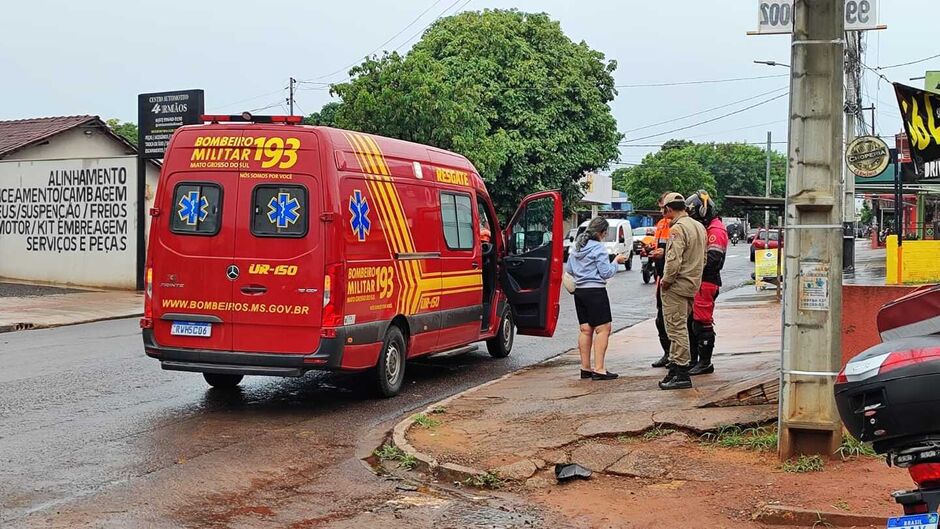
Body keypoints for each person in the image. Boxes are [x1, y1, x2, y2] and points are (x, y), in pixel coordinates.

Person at [566, 217, 629, 380]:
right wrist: (616, 261)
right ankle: (599, 369)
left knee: (585, 330)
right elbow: (606, 273)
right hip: (595, 291)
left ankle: (585, 368)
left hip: (580, 292)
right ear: (602, 232)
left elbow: (570, 270)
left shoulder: (577, 247)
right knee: (603, 329)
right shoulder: (599, 249)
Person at [658, 192, 706, 391]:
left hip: (677, 285)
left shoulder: (678, 228)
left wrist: (666, 281)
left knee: (675, 329)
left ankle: (681, 372)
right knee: (682, 326)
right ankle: (676, 370)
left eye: (663, 209)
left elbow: (673, 260)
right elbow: (703, 259)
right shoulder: (699, 226)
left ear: (668, 209)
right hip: (691, 284)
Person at [685, 190, 728, 376]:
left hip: (706, 281)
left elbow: (713, 260)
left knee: (702, 323)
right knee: (693, 323)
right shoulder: (709, 227)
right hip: (699, 280)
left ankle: (704, 363)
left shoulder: (715, 230)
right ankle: (695, 360)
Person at [650, 194, 674, 368]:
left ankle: (677, 356)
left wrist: (663, 253)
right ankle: (667, 353)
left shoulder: (679, 226)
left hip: (674, 278)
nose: (661, 211)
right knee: (661, 319)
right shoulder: (661, 224)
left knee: (676, 320)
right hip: (661, 276)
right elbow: (656, 244)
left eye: (663, 208)